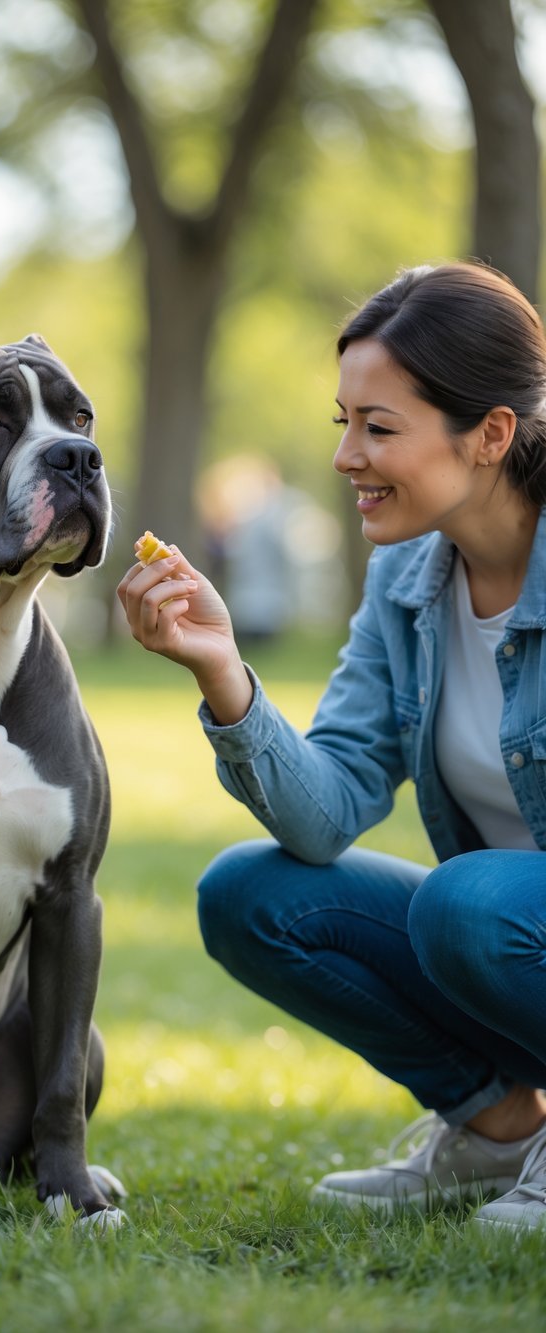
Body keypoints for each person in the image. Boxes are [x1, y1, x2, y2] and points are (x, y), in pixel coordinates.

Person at [117, 261, 546, 1234]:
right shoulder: (407, 580)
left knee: (467, 901)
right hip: (503, 931)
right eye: (342, 422)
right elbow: (327, 813)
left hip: (500, 921)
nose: (347, 455)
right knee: (253, 895)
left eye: (380, 427)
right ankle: (501, 1131)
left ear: (490, 434)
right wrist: (224, 671)